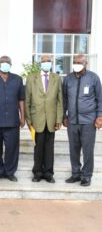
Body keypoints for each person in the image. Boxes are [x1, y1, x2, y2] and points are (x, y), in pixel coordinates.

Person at [63, 54, 102, 187]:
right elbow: (64, 99)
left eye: (79, 62)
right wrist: (64, 116)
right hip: (72, 121)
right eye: (74, 62)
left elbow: (100, 99)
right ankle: (75, 173)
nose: (76, 64)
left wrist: (99, 116)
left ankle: (86, 175)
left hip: (88, 121)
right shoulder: (68, 79)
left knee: (87, 150)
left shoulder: (93, 78)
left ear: (86, 64)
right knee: (73, 149)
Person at [25, 54, 63, 183]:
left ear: (51, 63)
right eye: (43, 61)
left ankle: (48, 173)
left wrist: (59, 119)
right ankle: (37, 172)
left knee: (49, 147)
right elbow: (27, 100)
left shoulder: (57, 78)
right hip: (37, 119)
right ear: (40, 63)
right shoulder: (31, 78)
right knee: (38, 147)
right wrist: (28, 120)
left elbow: (60, 100)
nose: (46, 62)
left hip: (52, 119)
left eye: (48, 61)